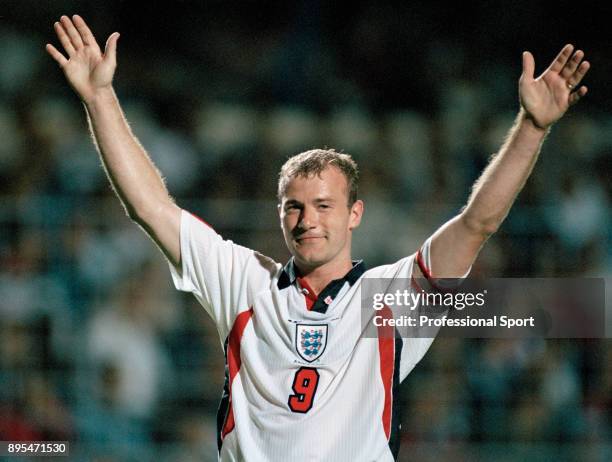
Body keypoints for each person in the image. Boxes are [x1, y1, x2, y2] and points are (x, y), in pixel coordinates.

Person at [46, 14, 590, 462]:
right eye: (294, 207)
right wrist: (100, 99)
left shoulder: (391, 297)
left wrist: (532, 127)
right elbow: (149, 207)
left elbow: (478, 223)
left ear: (355, 214)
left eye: (324, 206)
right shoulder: (243, 280)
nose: (308, 220)